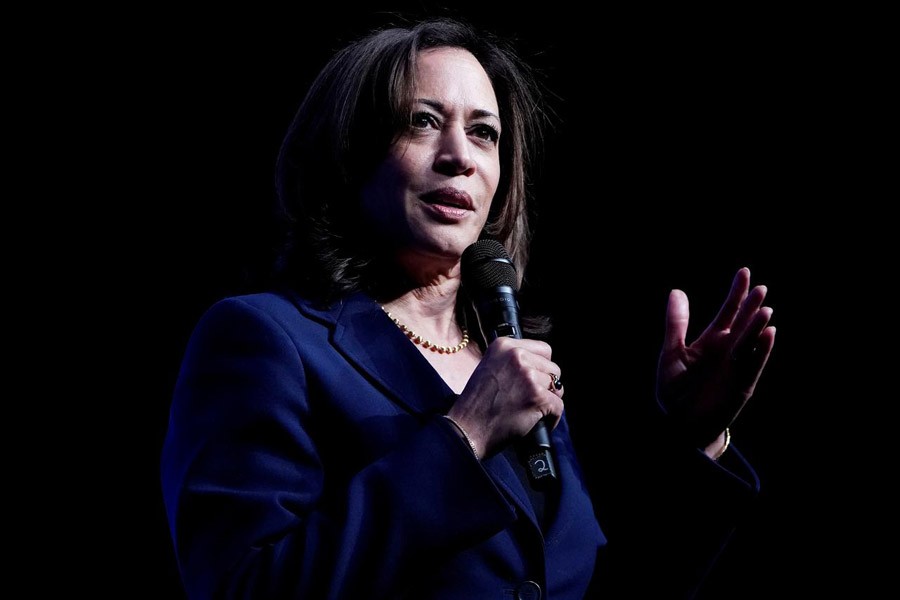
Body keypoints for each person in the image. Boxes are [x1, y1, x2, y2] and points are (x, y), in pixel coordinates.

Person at [160, 17, 776, 599]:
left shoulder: (509, 363)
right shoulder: (266, 339)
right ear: (350, 154)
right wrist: (466, 434)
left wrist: (698, 443)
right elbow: (243, 586)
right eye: (423, 121)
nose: (462, 155)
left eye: (484, 132)